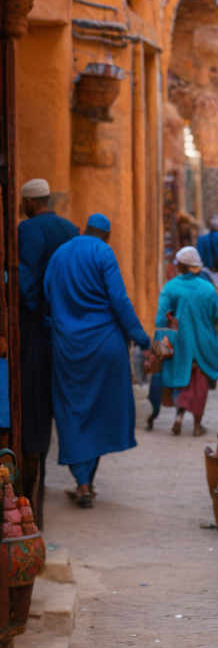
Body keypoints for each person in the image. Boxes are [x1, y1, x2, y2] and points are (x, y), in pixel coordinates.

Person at [43, 213, 150, 508]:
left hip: (68, 347)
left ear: (83, 229)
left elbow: (46, 298)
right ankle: (86, 481)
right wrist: (141, 337)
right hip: (105, 345)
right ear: (107, 235)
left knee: (73, 410)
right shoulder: (103, 252)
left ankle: (82, 481)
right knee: (99, 412)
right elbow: (119, 299)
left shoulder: (60, 254)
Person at [17, 178, 78, 525]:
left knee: (35, 407)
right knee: (63, 402)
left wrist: (35, 314)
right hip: (68, 329)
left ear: (28, 203)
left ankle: (33, 490)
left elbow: (26, 282)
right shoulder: (70, 229)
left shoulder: (28, 230)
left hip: (37, 331)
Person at [153, 246, 218, 437]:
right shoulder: (208, 289)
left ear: (180, 265)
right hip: (203, 342)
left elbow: (161, 318)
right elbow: (215, 315)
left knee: (182, 381)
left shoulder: (171, 287)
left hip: (179, 342)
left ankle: (179, 417)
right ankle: (197, 425)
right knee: (199, 384)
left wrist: (161, 341)